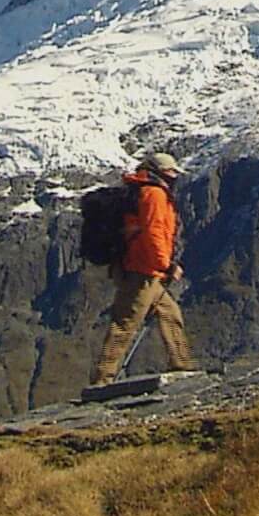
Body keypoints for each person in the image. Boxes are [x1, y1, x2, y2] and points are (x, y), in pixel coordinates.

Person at [90, 152, 197, 384]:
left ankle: (182, 363)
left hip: (144, 268)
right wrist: (167, 265)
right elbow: (154, 233)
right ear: (159, 173)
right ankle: (102, 379)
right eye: (170, 173)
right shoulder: (155, 195)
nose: (173, 177)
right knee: (126, 323)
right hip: (143, 271)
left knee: (169, 313)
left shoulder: (143, 191)